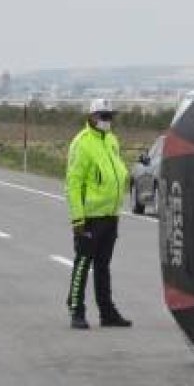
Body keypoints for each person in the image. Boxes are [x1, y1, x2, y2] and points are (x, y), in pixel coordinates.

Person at [65, 98, 133, 329]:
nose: (108, 121)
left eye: (110, 116)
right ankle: (76, 309)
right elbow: (73, 184)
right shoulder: (81, 143)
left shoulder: (112, 140)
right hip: (89, 217)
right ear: (92, 117)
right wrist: (78, 219)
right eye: (103, 117)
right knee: (83, 263)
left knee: (103, 266)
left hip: (110, 214)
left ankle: (107, 312)